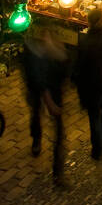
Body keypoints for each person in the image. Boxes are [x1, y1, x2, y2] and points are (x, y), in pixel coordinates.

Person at [22, 30, 69, 185]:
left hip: (51, 92)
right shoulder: (34, 55)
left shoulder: (52, 51)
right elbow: (37, 79)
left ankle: (57, 169)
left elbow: (64, 66)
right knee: (37, 114)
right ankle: (36, 140)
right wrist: (50, 101)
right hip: (42, 91)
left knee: (58, 131)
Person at [76, 5, 102, 160]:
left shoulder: (86, 41)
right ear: (101, 21)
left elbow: (80, 66)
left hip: (92, 84)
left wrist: (80, 88)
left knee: (94, 116)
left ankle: (97, 147)